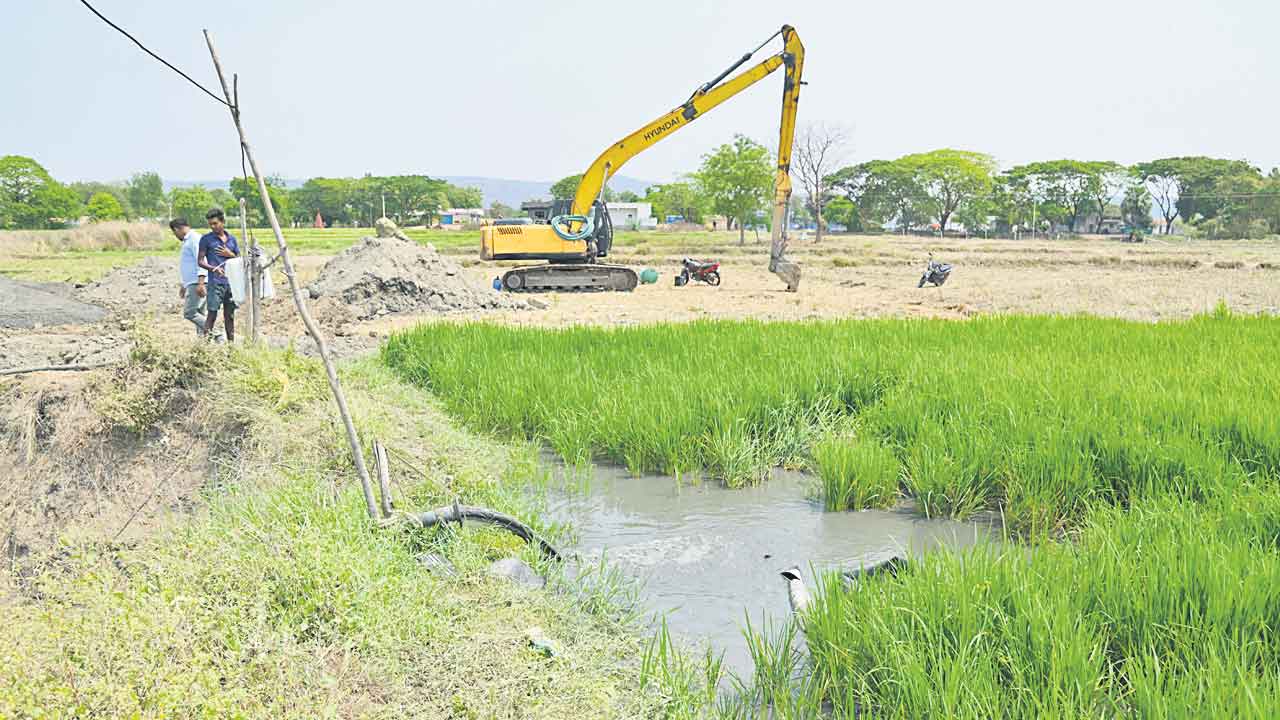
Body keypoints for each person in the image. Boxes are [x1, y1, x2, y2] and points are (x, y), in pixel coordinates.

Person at [198, 208, 240, 342]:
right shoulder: (206, 239)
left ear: (222, 222)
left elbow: (239, 259)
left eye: (215, 223)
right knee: (212, 314)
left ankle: (231, 346)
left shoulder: (232, 239)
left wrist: (230, 254)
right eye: (210, 224)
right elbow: (200, 261)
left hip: (231, 284)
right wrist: (213, 269)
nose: (212, 226)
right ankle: (204, 347)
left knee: (230, 316)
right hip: (215, 283)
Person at [169, 218, 207, 337]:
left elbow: (202, 261)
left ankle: (217, 332)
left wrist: (201, 283)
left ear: (176, 229)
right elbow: (189, 265)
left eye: (175, 233)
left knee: (189, 312)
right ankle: (204, 344)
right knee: (199, 313)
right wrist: (184, 284)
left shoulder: (194, 239)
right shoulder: (189, 240)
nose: (176, 236)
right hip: (193, 282)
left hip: (197, 282)